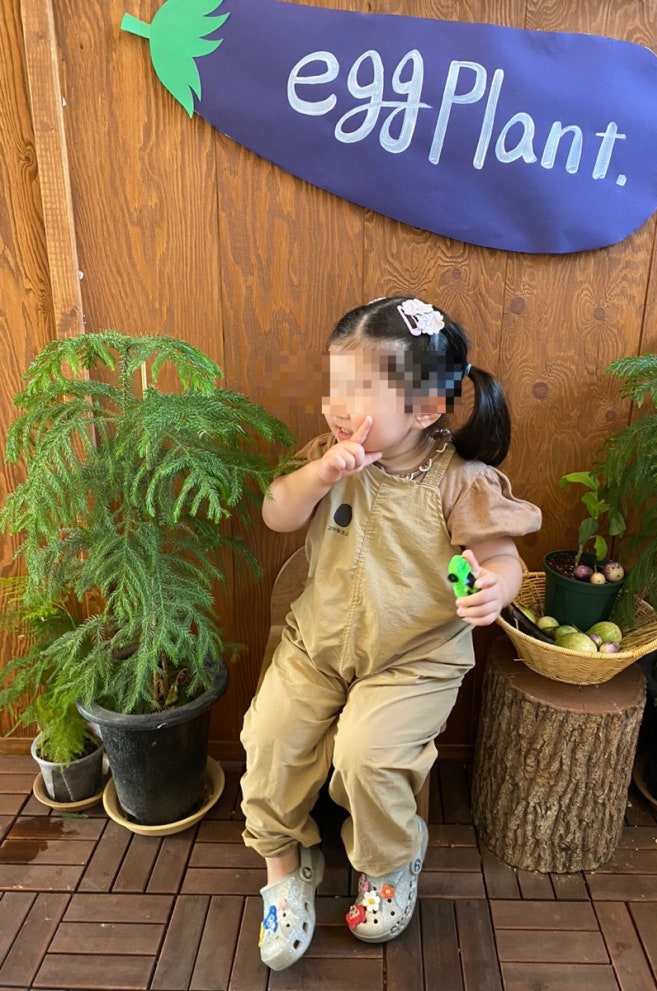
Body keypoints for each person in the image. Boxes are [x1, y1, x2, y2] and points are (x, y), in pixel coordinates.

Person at [240, 296, 541, 970]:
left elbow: (496, 558)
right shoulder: (329, 456)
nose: (337, 405)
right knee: (269, 739)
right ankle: (283, 863)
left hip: (415, 658)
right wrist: (320, 473)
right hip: (316, 646)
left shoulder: (459, 480)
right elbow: (277, 512)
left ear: (425, 408)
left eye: (359, 390)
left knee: (368, 756)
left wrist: (493, 586)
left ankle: (388, 862)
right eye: (335, 385)